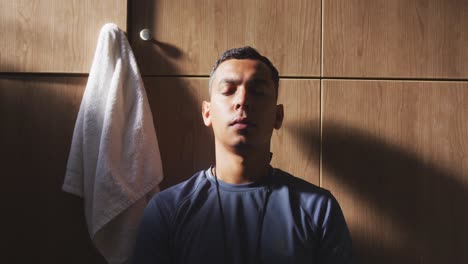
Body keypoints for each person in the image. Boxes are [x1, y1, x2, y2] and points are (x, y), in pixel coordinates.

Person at [132, 46, 353, 264]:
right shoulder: (166, 209)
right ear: (207, 113)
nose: (242, 101)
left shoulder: (318, 208)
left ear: (278, 116)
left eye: (257, 92)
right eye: (228, 90)